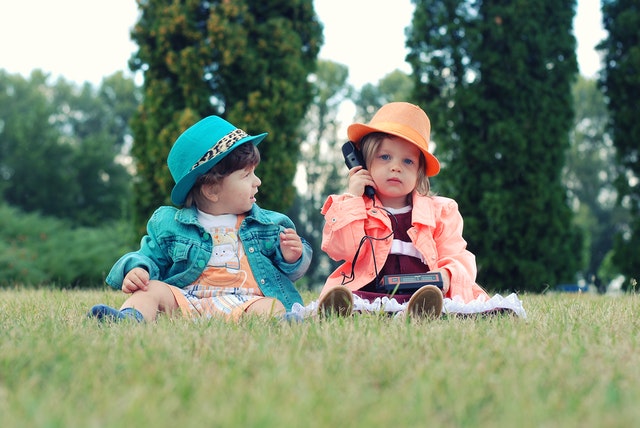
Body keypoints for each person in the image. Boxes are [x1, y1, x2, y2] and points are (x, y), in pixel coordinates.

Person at [89, 115, 312, 322]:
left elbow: (291, 272)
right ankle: (129, 318)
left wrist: (292, 258)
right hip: (187, 300)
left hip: (246, 302)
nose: (258, 181)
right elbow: (148, 256)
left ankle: (283, 323)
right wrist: (138, 270)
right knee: (150, 290)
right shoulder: (171, 225)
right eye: (246, 175)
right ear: (211, 190)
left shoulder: (268, 225)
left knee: (271, 306)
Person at [317, 102, 489, 319]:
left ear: (419, 173)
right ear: (362, 163)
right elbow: (340, 249)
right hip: (371, 292)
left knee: (441, 302)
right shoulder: (353, 206)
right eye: (385, 157)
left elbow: (457, 254)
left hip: (423, 294)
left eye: (408, 161)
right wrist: (353, 199)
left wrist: (446, 274)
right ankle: (343, 310)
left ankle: (418, 312)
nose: (396, 167)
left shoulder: (440, 212)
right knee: (355, 301)